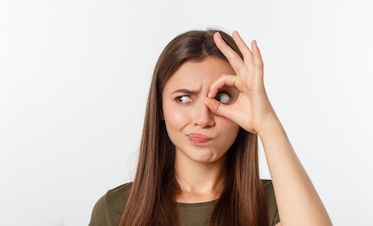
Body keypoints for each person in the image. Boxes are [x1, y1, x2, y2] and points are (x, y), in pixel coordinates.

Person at [88, 29, 332, 226]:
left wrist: (267, 124)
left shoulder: (277, 204)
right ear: (160, 108)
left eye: (222, 98)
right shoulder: (114, 210)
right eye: (183, 98)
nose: (203, 118)